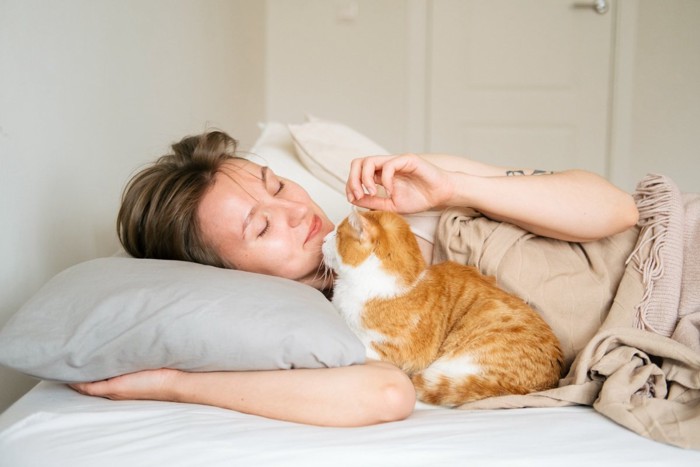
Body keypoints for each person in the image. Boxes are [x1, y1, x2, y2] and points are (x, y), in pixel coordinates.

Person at [70, 130, 639, 427]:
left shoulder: (398, 193)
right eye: (261, 225)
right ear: (228, 275)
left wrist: (456, 189)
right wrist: (174, 383)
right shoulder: (314, 325)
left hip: (659, 247)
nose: (296, 210)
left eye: (275, 185)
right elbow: (386, 393)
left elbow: (616, 209)